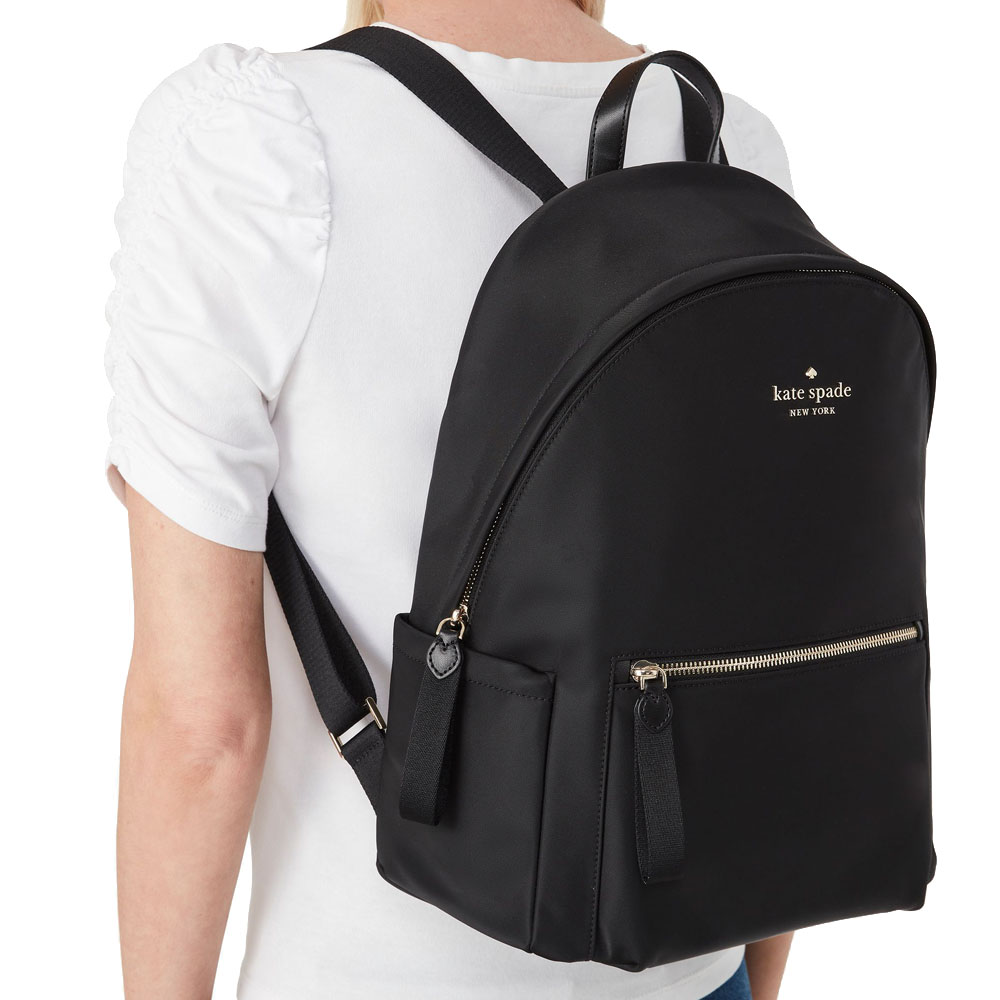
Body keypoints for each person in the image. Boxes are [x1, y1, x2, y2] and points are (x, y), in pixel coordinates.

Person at [106, 1, 796, 997]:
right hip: (696, 964)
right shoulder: (725, 145)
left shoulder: (251, 141)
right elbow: (780, 630)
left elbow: (201, 727)